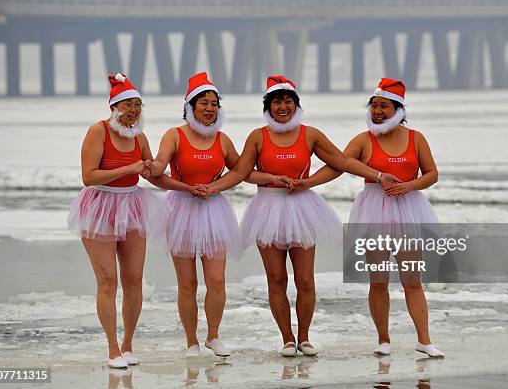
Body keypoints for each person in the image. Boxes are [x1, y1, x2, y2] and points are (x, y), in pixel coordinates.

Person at [202, 75, 398, 357]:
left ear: (296, 104)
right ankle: (286, 338)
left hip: (302, 209)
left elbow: (340, 162)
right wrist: (225, 185)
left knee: (305, 279)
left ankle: (304, 337)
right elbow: (241, 172)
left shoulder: (310, 134)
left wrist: (376, 176)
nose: (283, 107)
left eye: (288, 101)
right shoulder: (258, 136)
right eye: (277, 102)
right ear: (268, 106)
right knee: (277, 279)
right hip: (267, 208)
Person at [294, 78, 445, 358]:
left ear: (398, 109)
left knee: (412, 280)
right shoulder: (364, 140)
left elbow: (432, 174)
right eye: (373, 106)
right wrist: (309, 182)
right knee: (379, 280)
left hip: (409, 208)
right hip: (375, 209)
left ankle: (424, 339)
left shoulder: (416, 138)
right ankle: (383, 339)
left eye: (383, 106)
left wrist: (408, 186)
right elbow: (337, 165)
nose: (376, 111)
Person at [145, 72, 284, 357]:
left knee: (217, 280)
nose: (209, 108)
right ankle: (191, 342)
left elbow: (241, 171)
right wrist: (159, 171)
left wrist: (273, 177)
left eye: (214, 104)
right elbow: (159, 168)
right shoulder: (175, 135)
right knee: (187, 283)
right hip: (180, 210)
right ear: (190, 107)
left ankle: (213, 336)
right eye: (203, 103)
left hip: (214, 210)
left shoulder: (222, 140)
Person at [67, 73, 163, 368]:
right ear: (114, 107)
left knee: (134, 279)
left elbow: (153, 171)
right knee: (108, 279)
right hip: (100, 206)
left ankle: (128, 344)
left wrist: (155, 168)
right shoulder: (98, 132)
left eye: (138, 105)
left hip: (132, 205)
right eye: (127, 105)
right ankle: (112, 349)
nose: (133, 111)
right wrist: (129, 168)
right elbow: (89, 176)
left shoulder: (140, 137)